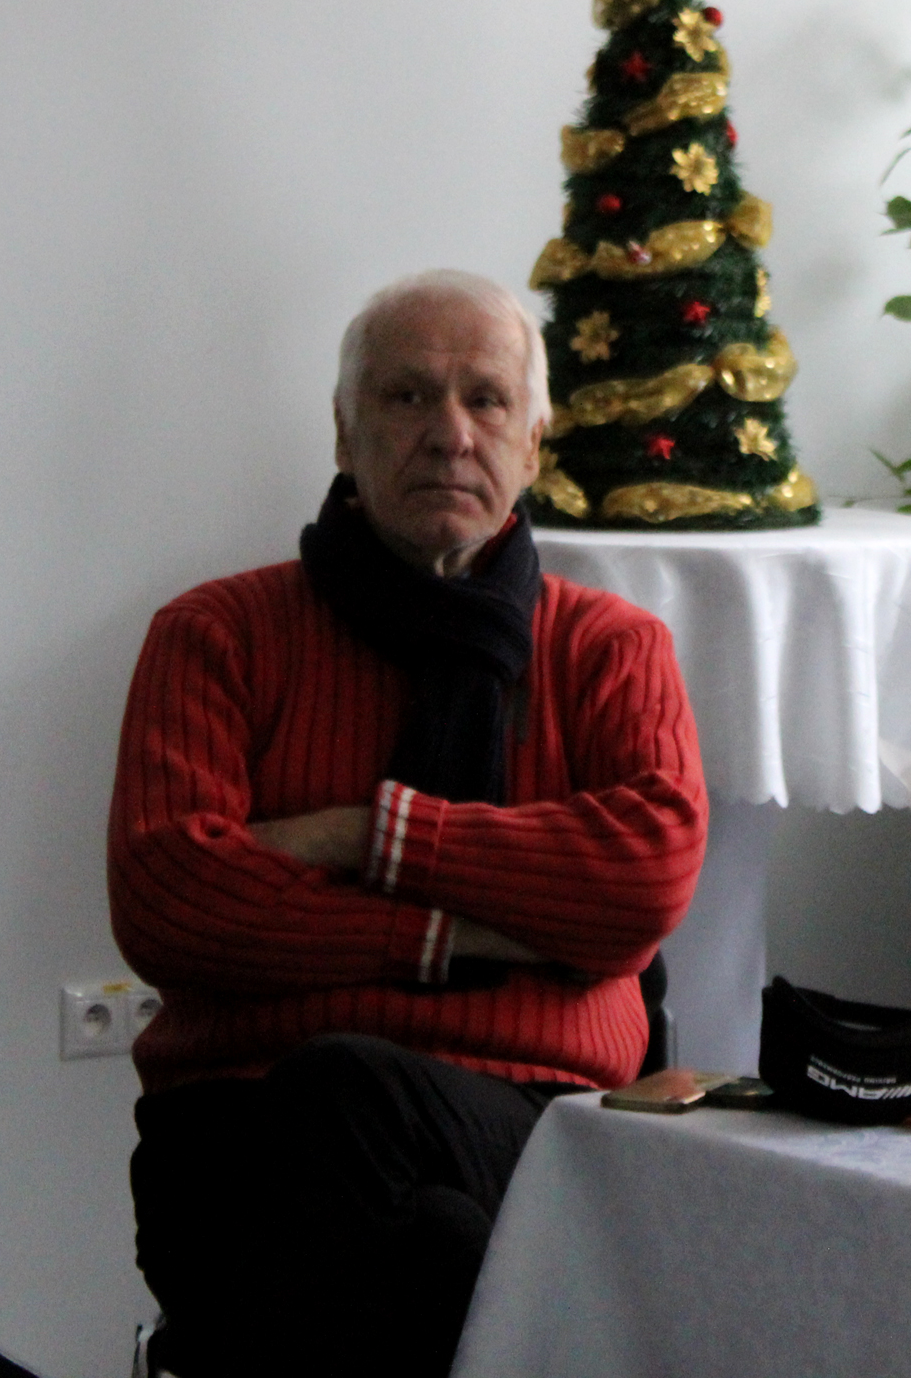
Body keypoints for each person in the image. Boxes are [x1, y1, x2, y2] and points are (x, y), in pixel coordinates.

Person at [110, 269, 707, 1378]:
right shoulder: (215, 636)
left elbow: (642, 880)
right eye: (406, 397)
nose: (449, 433)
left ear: (533, 443)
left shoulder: (610, 650)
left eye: (486, 400)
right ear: (344, 435)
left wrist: (360, 836)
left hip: (534, 1130)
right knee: (427, 1234)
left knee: (357, 1113)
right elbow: (170, 899)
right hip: (238, 1136)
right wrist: (464, 934)